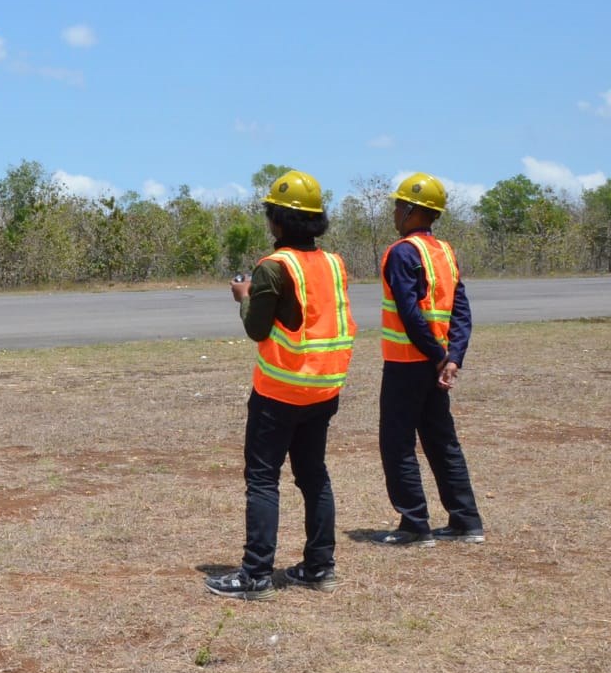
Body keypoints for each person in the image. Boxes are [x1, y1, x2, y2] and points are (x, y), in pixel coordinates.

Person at [206, 170, 357, 600]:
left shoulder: (273, 267)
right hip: (324, 389)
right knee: (313, 476)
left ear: (277, 220)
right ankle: (319, 566)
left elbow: (258, 329)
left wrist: (243, 297)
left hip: (279, 393)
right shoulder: (334, 263)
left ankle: (255, 574)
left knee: (262, 479)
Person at [374, 173, 484, 546]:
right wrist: (453, 356)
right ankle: (466, 521)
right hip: (435, 364)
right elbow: (461, 310)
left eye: (397, 205)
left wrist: (440, 357)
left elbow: (409, 312)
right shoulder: (444, 252)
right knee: (442, 440)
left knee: (398, 442)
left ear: (409, 211)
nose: (394, 211)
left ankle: (414, 524)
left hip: (408, 363)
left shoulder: (402, 252)